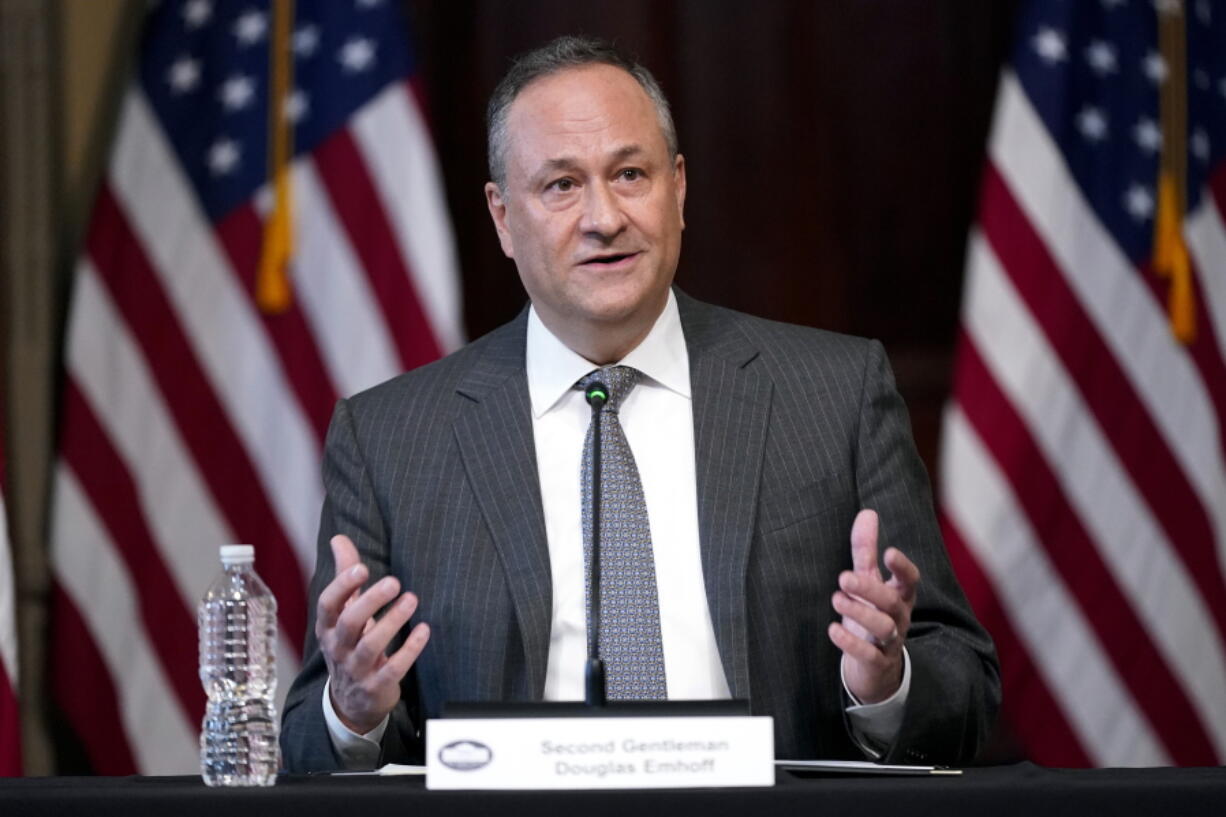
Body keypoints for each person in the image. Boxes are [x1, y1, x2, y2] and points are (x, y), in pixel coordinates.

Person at [280, 35, 999, 773]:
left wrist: (884, 685)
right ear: (501, 217)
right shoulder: (390, 439)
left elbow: (966, 688)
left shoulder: (835, 393)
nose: (604, 217)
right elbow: (307, 739)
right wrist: (356, 712)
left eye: (629, 174)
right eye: (560, 184)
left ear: (677, 189)